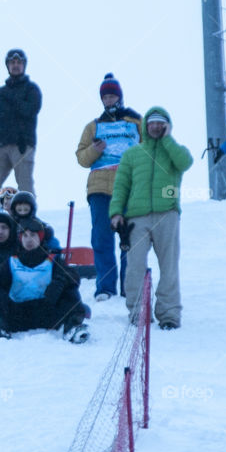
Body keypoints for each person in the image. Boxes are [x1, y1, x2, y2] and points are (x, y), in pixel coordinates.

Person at [109, 107, 193, 330]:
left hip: (168, 214)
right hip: (137, 217)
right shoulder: (132, 154)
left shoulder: (175, 150)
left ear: (167, 126)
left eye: (160, 123)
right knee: (134, 265)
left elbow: (185, 163)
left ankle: (169, 315)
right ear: (145, 126)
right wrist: (116, 212)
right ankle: (138, 313)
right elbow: (121, 185)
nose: (155, 126)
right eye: (152, 123)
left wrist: (168, 140)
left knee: (169, 267)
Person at [75, 73, 143, 300]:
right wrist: (95, 149)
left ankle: (128, 286)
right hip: (100, 188)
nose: (109, 100)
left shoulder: (135, 122)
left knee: (130, 237)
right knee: (102, 238)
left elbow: (151, 149)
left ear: (120, 97)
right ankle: (105, 287)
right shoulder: (92, 126)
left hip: (129, 186)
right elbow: (82, 158)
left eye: (113, 95)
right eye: (105, 97)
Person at [0, 219, 88, 343]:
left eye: (33, 235)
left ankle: (73, 327)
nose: (29, 240)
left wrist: (60, 281)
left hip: (48, 313)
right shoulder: (12, 261)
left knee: (70, 287)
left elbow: (73, 275)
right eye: (25, 236)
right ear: (20, 239)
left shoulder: (52, 259)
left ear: (40, 238)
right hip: (17, 315)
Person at [0, 49, 42, 209]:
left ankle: (28, 214)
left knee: (25, 183)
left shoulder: (31, 89)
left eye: (19, 63)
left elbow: (30, 110)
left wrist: (11, 97)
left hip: (22, 144)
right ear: (7, 65)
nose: (15, 66)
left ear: (24, 65)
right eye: (12, 63)